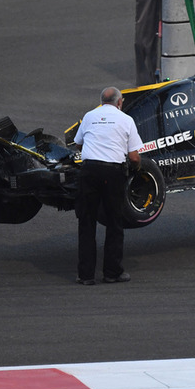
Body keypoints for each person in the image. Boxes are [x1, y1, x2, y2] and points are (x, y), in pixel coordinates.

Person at [74, 87, 143, 285]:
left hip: (89, 171)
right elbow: (134, 156)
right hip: (113, 173)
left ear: (102, 101)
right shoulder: (126, 119)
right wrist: (136, 168)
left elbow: (78, 144)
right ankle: (112, 272)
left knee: (86, 222)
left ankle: (86, 275)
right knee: (114, 222)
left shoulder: (89, 116)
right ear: (120, 102)